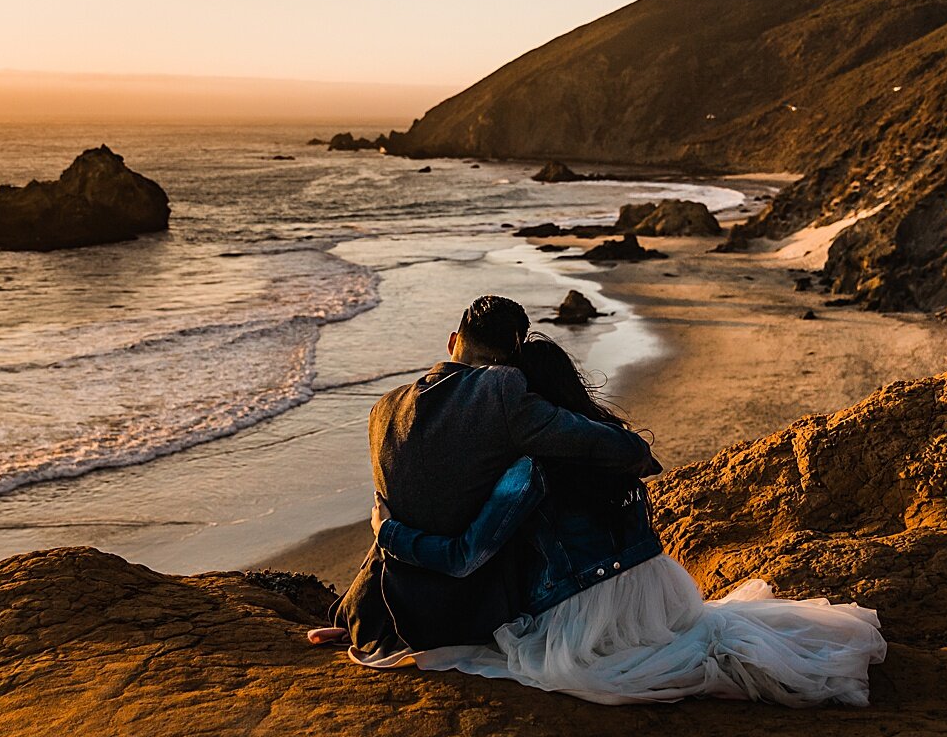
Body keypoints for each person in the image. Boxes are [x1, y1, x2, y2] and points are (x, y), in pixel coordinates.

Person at [371, 333, 888, 706]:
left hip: (587, 613)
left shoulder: (527, 471)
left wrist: (388, 532)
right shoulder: (606, 446)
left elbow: (465, 556)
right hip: (661, 591)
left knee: (514, 653)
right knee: (715, 631)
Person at [311, 297, 655, 666]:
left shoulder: (383, 410)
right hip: (473, 618)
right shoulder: (502, 390)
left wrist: (352, 609)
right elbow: (622, 450)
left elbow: (398, 513)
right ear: (512, 360)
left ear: (452, 340)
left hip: (383, 617)